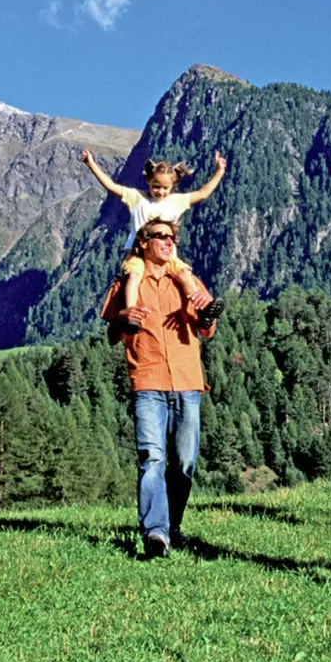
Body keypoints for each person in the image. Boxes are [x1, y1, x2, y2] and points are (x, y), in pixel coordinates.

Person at [100, 218, 218, 558]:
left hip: (187, 381)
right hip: (148, 380)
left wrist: (208, 318)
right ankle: (155, 532)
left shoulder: (186, 280)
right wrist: (124, 319)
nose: (168, 242)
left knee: (184, 462)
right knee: (151, 457)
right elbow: (110, 334)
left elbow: (207, 329)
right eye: (160, 236)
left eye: (172, 237)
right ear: (143, 242)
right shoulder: (127, 283)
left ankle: (172, 526)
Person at [81, 148, 227, 327]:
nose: (160, 191)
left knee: (184, 274)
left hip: (168, 255)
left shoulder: (176, 201)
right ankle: (131, 315)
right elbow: (111, 186)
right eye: (156, 186)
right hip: (138, 252)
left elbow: (203, 193)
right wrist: (91, 164)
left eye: (165, 188)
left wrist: (219, 171)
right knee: (134, 275)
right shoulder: (137, 198)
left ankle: (202, 311)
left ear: (172, 186)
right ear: (148, 181)